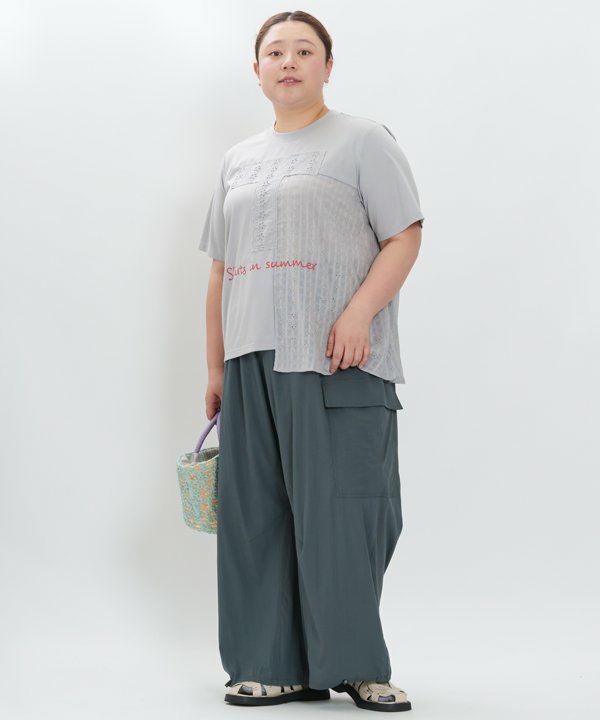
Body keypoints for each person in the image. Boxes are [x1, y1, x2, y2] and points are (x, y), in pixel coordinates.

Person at [198, 10, 424, 712]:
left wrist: (357, 313)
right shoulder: (237, 160)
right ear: (256, 69)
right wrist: (216, 369)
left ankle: (355, 665)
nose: (289, 62)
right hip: (251, 361)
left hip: (334, 358)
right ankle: (269, 665)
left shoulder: (363, 140)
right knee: (255, 518)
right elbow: (220, 270)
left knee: (345, 513)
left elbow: (404, 235)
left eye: (304, 51)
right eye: (275, 52)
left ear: (328, 66)